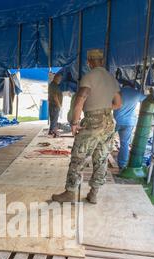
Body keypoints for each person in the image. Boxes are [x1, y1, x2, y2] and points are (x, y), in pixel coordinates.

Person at [52, 49, 122, 205]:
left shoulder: (89, 77)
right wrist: (104, 107)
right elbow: (118, 103)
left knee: (78, 157)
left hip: (92, 122)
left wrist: (75, 123)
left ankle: (70, 192)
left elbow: (80, 99)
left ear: (89, 62)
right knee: (101, 159)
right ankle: (93, 194)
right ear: (102, 61)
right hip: (109, 123)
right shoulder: (111, 79)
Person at [114, 82, 146, 170]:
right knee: (124, 144)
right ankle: (122, 165)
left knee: (106, 141)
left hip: (116, 121)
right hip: (129, 122)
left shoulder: (118, 91)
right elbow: (147, 99)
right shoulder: (136, 93)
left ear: (123, 85)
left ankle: (102, 162)